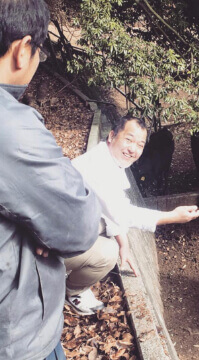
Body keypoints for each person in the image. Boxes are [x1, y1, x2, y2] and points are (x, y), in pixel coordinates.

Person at [0, 1, 102, 359]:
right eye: (38, 53)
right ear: (21, 50)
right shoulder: (10, 126)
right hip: (15, 341)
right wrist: (44, 225)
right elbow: (80, 222)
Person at [65, 116, 199, 315]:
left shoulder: (105, 158)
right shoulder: (98, 166)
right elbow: (122, 213)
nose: (133, 149)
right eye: (128, 140)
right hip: (42, 245)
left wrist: (125, 243)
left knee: (106, 234)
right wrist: (172, 215)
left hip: (57, 232)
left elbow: (108, 209)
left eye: (139, 145)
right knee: (108, 254)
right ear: (112, 135)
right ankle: (72, 290)